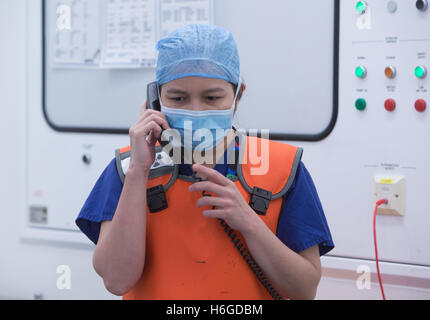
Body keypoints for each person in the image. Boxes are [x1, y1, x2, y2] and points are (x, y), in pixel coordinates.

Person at [76, 24, 334, 300]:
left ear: (238, 96)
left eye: (212, 97)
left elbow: (305, 289)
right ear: (156, 100)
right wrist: (140, 170)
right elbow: (116, 281)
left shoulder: (282, 168)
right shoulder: (128, 168)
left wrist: (249, 223)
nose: (195, 110)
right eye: (178, 98)